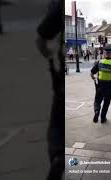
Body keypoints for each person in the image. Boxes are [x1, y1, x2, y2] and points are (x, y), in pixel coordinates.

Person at [35, 0, 63, 179]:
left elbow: (41, 40)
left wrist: (49, 55)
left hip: (63, 81)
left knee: (57, 130)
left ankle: (59, 159)